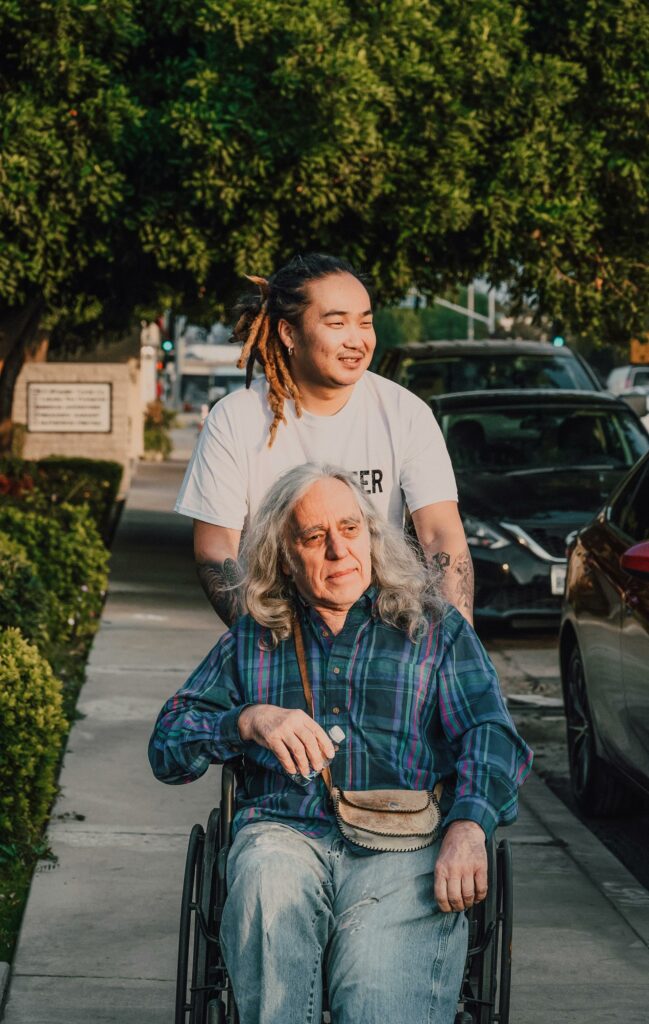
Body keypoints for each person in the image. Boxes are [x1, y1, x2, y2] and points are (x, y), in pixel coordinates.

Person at [150, 464, 532, 1024]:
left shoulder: (434, 629)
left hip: (403, 845)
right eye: (314, 537)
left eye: (350, 529)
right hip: (283, 836)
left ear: (371, 536)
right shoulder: (254, 638)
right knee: (264, 882)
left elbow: (492, 734)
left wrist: (470, 825)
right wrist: (248, 720)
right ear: (284, 556)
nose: (338, 551)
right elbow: (167, 748)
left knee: (378, 996)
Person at [174, 253, 474, 627]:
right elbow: (216, 550)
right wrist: (261, 640)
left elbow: (441, 536)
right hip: (277, 634)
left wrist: (460, 644)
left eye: (365, 323)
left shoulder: (405, 413)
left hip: (386, 636)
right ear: (288, 333)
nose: (357, 340)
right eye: (336, 323)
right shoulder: (235, 419)